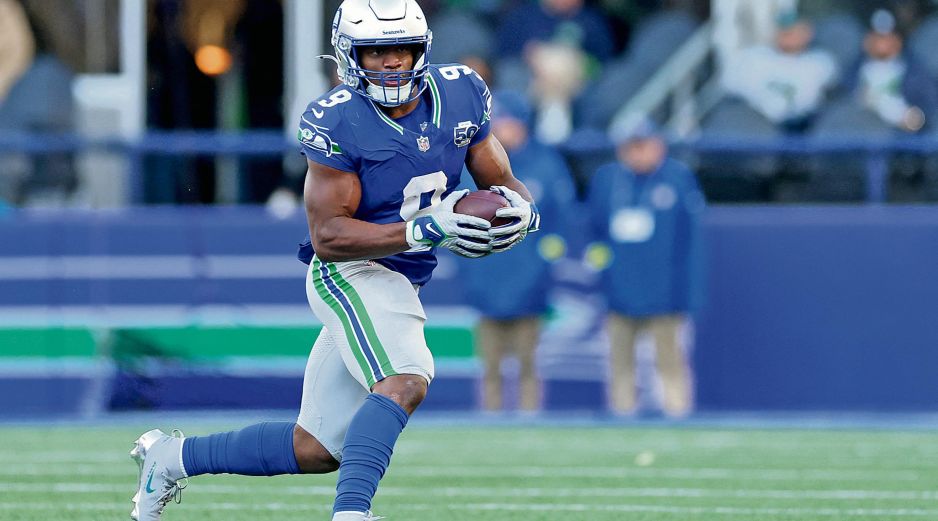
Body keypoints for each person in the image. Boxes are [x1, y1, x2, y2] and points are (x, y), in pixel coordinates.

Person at [128, 1, 540, 520]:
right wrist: (423, 228)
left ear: (424, 49)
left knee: (316, 447)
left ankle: (171, 458)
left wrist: (522, 210)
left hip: (402, 277)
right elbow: (328, 235)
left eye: (402, 49)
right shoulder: (337, 119)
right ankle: (351, 514)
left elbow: (500, 182)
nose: (392, 62)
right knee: (406, 378)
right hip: (350, 271)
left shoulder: (460, 92)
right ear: (349, 55)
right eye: (376, 50)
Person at [458, 91, 575, 411]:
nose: (502, 130)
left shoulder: (545, 164)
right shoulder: (472, 164)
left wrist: (544, 262)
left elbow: (562, 222)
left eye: (507, 122)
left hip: (529, 283)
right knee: (490, 367)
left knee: (528, 364)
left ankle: (530, 420)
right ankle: (490, 427)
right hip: (487, 276)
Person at [585, 121, 705, 417]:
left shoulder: (678, 179)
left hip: (665, 292)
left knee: (670, 360)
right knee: (620, 362)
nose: (637, 153)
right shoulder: (608, 179)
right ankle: (622, 415)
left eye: (643, 145)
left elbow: (691, 243)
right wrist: (603, 277)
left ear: (658, 145)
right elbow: (595, 234)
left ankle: (678, 414)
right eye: (631, 146)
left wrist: (687, 294)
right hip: (620, 289)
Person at [720, 10, 839, 133]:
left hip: (804, 128)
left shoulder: (820, 62)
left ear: (808, 33)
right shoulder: (755, 58)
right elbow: (731, 88)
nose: (787, 35)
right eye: (784, 30)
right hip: (757, 126)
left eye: (793, 30)